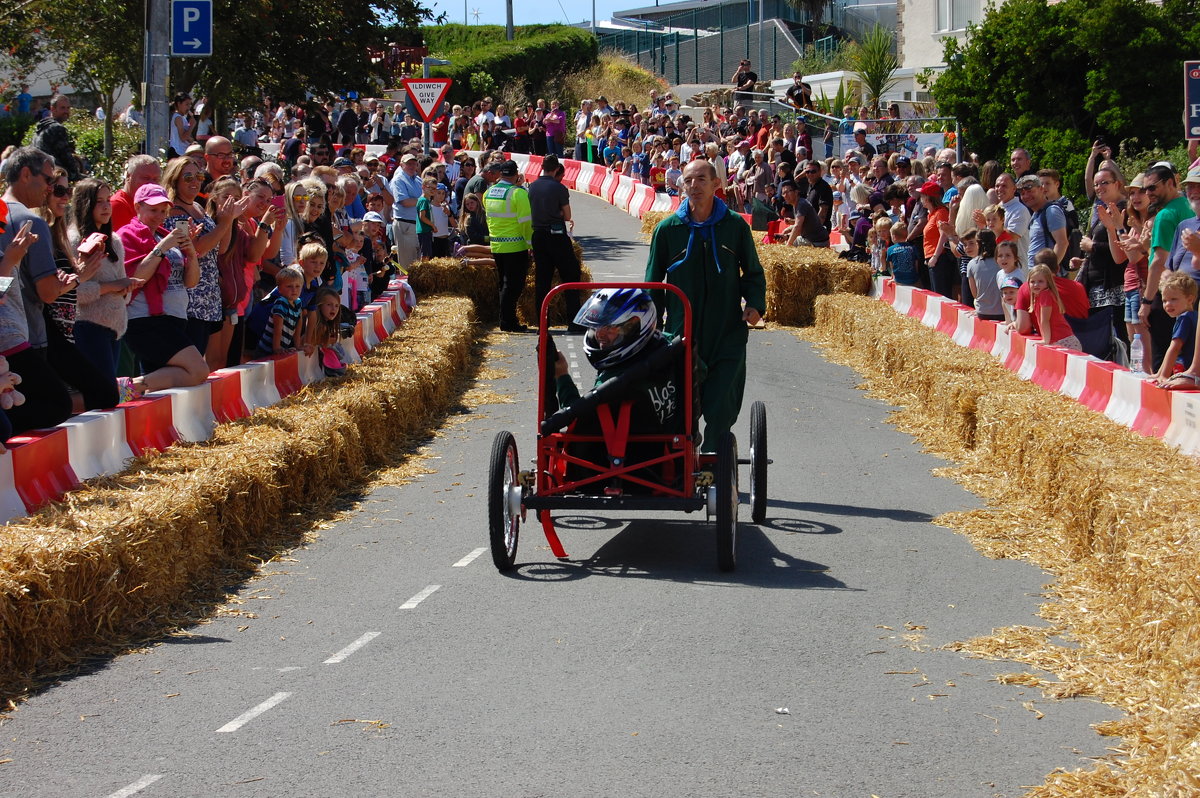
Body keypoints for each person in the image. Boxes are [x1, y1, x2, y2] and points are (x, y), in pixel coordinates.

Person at [645, 159, 766, 453]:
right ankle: (683, 456)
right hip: (681, 331)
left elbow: (752, 272)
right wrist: (650, 328)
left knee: (721, 400)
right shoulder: (667, 229)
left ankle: (715, 463)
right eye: (688, 180)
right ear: (680, 185)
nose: (694, 186)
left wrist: (754, 304)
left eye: (701, 179)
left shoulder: (735, 226)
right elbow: (653, 283)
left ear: (716, 185)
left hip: (727, 330)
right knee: (681, 401)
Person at [115, 183, 209, 395]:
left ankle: (133, 392)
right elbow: (137, 277)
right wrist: (162, 247)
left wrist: (191, 253)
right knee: (198, 370)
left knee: (162, 389)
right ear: (138, 208)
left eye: (163, 211)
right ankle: (128, 387)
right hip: (146, 321)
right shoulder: (127, 235)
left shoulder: (165, 235)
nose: (159, 216)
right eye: (153, 210)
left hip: (173, 319)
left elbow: (191, 282)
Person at [68, 178, 141, 386]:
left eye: (108, 200)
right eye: (98, 201)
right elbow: (73, 292)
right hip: (88, 327)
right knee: (102, 392)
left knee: (109, 390)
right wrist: (111, 287)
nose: (106, 206)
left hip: (115, 327)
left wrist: (126, 287)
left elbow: (120, 282)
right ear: (84, 204)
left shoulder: (114, 240)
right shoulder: (73, 240)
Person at [527, 155, 582, 329]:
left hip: (539, 235)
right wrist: (557, 213)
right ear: (556, 169)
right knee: (571, 275)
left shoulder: (532, 186)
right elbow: (567, 216)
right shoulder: (559, 188)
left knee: (542, 280)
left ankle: (543, 323)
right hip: (556, 235)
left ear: (542, 167)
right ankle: (574, 321)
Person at [484, 159, 533, 332]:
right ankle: (508, 322)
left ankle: (505, 319)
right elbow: (526, 222)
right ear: (516, 175)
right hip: (515, 245)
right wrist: (530, 244)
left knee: (503, 284)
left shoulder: (488, 192)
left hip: (497, 245)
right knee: (513, 285)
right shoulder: (518, 193)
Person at [1152, 270, 1197, 387]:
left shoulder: (1184, 318)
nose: (1168, 304)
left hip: (1186, 369)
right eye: (1164, 301)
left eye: (1173, 299)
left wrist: (1164, 376)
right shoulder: (1194, 316)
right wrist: (1159, 373)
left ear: (1190, 299)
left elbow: (1174, 348)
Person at [256, 265, 308, 356]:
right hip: (266, 350)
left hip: (283, 345)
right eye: (289, 286)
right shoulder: (281, 303)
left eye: (297, 286)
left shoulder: (298, 302)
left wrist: (297, 345)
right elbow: (278, 327)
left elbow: (298, 325)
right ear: (279, 289)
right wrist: (277, 348)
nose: (294, 290)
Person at [32, 94, 83, 181]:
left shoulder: (41, 127)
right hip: (55, 175)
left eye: (68, 108)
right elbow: (65, 155)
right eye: (62, 108)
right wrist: (77, 175)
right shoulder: (57, 128)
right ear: (52, 109)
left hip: (39, 173)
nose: (66, 111)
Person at [389, 153, 423, 270]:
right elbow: (404, 202)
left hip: (418, 225)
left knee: (417, 265)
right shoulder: (398, 180)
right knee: (407, 266)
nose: (412, 166)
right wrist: (424, 200)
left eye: (414, 163)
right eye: (409, 164)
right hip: (405, 225)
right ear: (401, 165)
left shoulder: (418, 180)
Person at [111, 155, 163, 232]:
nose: (151, 184)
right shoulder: (118, 205)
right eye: (146, 178)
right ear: (129, 176)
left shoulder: (156, 205)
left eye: (155, 179)